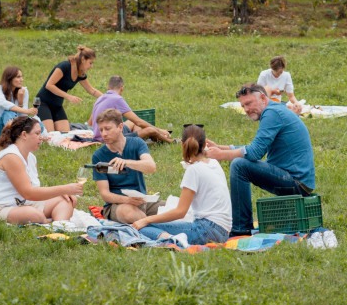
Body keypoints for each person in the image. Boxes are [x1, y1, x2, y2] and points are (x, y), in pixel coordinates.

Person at [207, 83, 315, 237]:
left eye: (249, 103)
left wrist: (220, 155)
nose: (246, 110)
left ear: (263, 98)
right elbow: (254, 148)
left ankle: (241, 229)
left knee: (239, 165)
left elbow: (254, 153)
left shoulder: (272, 113)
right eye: (243, 106)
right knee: (240, 162)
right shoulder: (275, 110)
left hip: (296, 181)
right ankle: (241, 226)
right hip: (297, 179)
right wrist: (221, 148)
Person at [131, 124, 231, 245]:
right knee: (147, 223)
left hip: (207, 230)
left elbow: (180, 212)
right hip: (225, 231)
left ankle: (172, 239)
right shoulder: (214, 163)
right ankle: (170, 236)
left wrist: (146, 220)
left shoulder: (193, 170)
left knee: (142, 227)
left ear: (182, 144)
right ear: (205, 144)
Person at [0, 116, 84, 224]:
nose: (41, 138)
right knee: (33, 214)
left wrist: (61, 193)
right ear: (24, 135)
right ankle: (47, 223)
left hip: (23, 204)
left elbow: (35, 191)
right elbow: (28, 193)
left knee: (65, 200)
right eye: (37, 133)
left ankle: (60, 226)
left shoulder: (31, 158)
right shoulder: (11, 156)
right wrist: (64, 189)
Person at [92, 108, 164, 224]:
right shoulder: (98, 156)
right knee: (129, 213)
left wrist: (126, 162)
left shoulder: (137, 143)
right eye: (101, 130)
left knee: (175, 208)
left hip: (142, 201)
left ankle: (148, 223)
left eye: (108, 129)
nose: (104, 133)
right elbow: (105, 195)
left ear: (120, 127)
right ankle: (154, 227)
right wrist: (128, 200)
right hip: (118, 205)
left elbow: (151, 167)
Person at [36, 46, 103, 133]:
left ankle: (50, 122)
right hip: (41, 102)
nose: (92, 66)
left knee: (65, 133)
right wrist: (68, 96)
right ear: (83, 59)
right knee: (50, 135)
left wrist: (107, 97)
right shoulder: (65, 66)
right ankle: (36, 121)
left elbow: (91, 90)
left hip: (57, 105)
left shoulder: (81, 74)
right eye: (90, 63)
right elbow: (49, 85)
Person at [89, 75, 174, 144]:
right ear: (122, 88)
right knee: (150, 130)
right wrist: (160, 130)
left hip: (99, 135)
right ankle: (171, 142)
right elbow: (138, 121)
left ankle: (138, 142)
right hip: (109, 138)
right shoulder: (117, 99)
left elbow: (91, 122)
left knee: (131, 123)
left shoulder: (100, 98)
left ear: (108, 87)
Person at [0, 66, 38, 138]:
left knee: (38, 124)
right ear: (10, 78)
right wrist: (26, 110)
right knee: (8, 113)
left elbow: (22, 117)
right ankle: (10, 136)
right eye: (18, 77)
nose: (21, 80)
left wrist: (20, 102)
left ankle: (15, 135)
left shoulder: (23, 91)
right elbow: (3, 104)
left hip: (17, 125)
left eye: (21, 77)